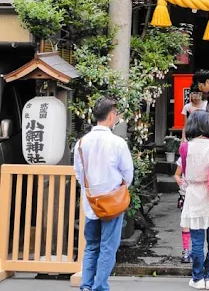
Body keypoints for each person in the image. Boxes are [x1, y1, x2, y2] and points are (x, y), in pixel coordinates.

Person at [74, 96, 134, 291]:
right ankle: (99, 287)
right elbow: (128, 173)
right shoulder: (117, 143)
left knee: (91, 245)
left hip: (91, 202)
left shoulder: (81, 143)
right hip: (112, 202)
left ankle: (86, 285)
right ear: (110, 116)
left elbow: (78, 173)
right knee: (108, 246)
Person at [180, 110, 209, 290]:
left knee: (197, 241)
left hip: (194, 196)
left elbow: (185, 171)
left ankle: (198, 278)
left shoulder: (185, 147)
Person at [174, 155, 191, 264]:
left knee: (197, 226)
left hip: (200, 196)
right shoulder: (184, 157)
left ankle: (192, 251)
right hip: (186, 195)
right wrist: (179, 181)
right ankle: (186, 250)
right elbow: (176, 174)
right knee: (186, 223)